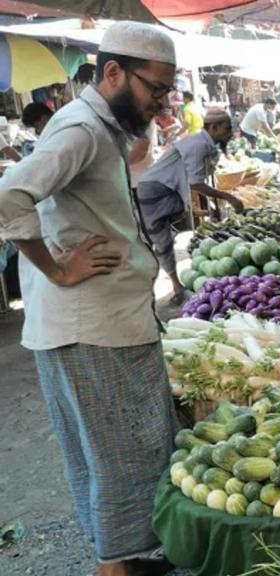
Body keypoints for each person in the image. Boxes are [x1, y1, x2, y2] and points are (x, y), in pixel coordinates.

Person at [0, 22, 179, 576]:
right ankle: (113, 567)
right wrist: (57, 267)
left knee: (120, 450)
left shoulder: (102, 126)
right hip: (89, 326)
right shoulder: (80, 128)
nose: (161, 102)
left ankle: (121, 558)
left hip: (103, 321)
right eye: (155, 89)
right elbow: (10, 196)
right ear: (113, 72)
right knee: (118, 453)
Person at [139, 110, 243, 300]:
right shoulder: (198, 145)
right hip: (155, 189)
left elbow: (198, 179)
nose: (228, 133)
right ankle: (172, 288)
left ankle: (171, 285)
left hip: (167, 189)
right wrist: (228, 197)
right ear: (213, 127)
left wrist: (213, 205)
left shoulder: (204, 144)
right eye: (226, 128)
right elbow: (196, 183)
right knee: (161, 242)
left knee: (165, 239)